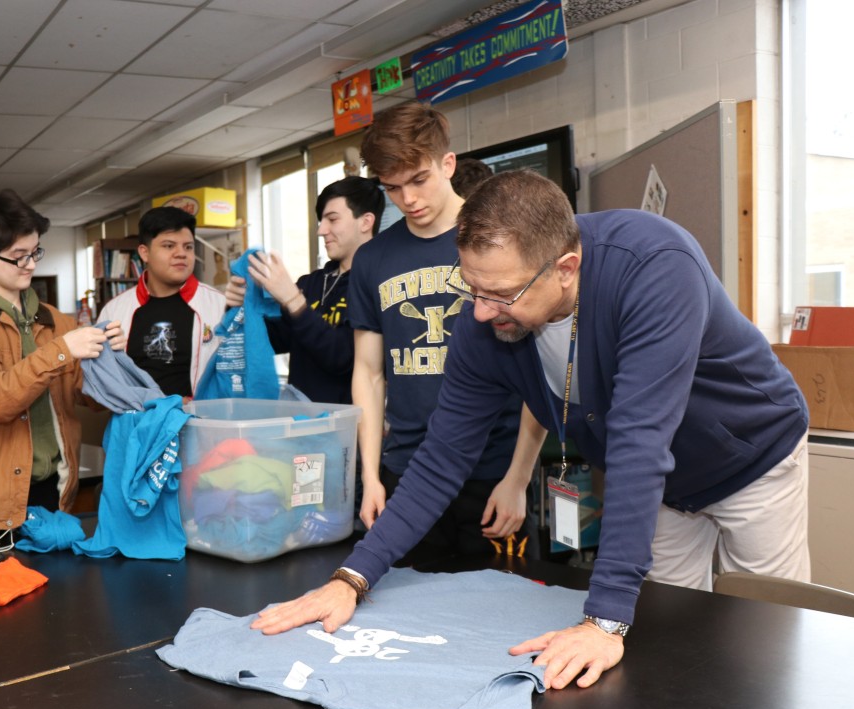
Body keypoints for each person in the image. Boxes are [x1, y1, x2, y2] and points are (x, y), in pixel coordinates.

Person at [253, 169, 811, 693]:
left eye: (502, 294)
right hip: (663, 492)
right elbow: (441, 459)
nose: (479, 312)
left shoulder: (655, 265)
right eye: (472, 289)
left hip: (750, 460)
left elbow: (640, 443)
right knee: (669, 632)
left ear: (565, 268)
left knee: (764, 635)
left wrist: (604, 618)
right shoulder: (485, 320)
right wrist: (352, 577)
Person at [346, 101, 542, 564]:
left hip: (491, 472)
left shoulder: (502, 243)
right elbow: (369, 374)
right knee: (409, 621)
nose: (408, 199)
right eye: (393, 188)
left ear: (447, 164)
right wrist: (370, 476)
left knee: (504, 618)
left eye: (419, 180)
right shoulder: (372, 261)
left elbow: (543, 364)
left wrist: (518, 479)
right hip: (408, 473)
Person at [0, 190, 124, 550]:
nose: (31, 264)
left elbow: (93, 397)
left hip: (51, 494)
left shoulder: (54, 319)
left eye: (35, 252)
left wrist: (111, 358)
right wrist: (62, 352)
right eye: (18, 257)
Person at [223, 176, 385, 404]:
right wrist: (240, 307)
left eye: (332, 219)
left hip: (348, 427)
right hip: (302, 425)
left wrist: (293, 301)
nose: (321, 230)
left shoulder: (379, 284)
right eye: (321, 221)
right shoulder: (310, 284)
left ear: (366, 222)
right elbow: (273, 342)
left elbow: (343, 358)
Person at [98, 206, 226, 398]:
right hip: (138, 423)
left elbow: (236, 373)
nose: (181, 253)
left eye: (188, 247)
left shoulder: (220, 306)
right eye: (168, 246)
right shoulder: (114, 311)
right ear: (144, 252)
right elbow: (102, 377)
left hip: (200, 422)